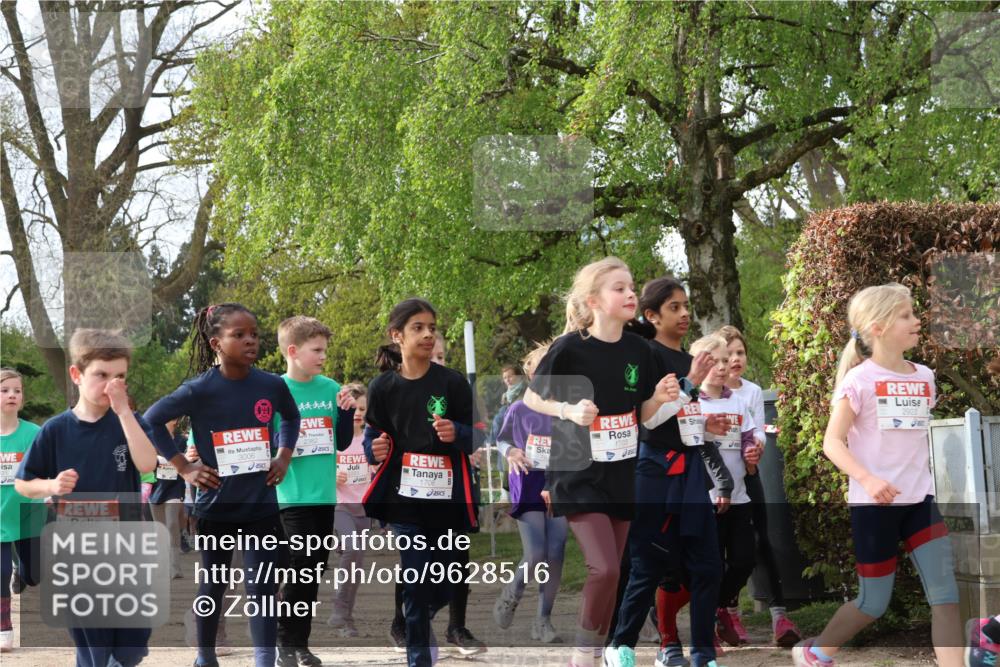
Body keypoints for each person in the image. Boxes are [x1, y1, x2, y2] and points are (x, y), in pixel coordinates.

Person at [522, 257, 684, 667]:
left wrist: (658, 399)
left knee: (616, 574)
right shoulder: (570, 348)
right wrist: (568, 411)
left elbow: (641, 414)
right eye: (619, 288)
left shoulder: (640, 351)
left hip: (621, 475)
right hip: (577, 473)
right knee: (605, 569)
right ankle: (583, 657)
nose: (630, 294)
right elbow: (531, 397)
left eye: (631, 287)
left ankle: (593, 653)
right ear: (593, 300)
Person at [792, 283, 963, 667]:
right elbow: (832, 442)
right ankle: (816, 653)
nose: (916, 320)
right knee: (873, 603)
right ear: (878, 327)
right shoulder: (858, 381)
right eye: (906, 315)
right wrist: (868, 480)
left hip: (920, 502)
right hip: (874, 507)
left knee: (946, 598)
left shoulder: (925, 376)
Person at [144, 303, 301, 667]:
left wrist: (283, 457)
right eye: (239, 335)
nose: (250, 341)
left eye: (254, 334)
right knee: (213, 586)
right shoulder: (198, 389)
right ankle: (205, 656)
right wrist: (184, 467)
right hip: (216, 509)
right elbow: (152, 420)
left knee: (262, 588)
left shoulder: (271, 384)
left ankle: (264, 660)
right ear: (216, 343)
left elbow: (292, 418)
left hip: (261, 507)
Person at [15, 329, 158, 667]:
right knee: (95, 646)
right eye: (102, 375)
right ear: (76, 375)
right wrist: (51, 486)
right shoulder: (55, 429)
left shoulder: (129, 422)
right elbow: (23, 483)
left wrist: (124, 413)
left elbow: (147, 464)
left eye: (120, 377)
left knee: (131, 645)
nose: (112, 385)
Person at [362, 298, 479, 667]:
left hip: (448, 501)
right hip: (404, 500)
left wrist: (457, 432)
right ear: (397, 335)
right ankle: (418, 656)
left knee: (446, 580)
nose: (428, 334)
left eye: (432, 327)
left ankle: (415, 618)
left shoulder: (452, 383)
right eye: (418, 328)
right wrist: (373, 449)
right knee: (415, 579)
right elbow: (372, 435)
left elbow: (478, 435)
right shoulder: (382, 387)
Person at [273, 316, 355, 666]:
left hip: (324, 497)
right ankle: (284, 643)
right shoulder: (275, 390)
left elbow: (342, 442)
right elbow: (266, 441)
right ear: (293, 351)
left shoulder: (330, 388)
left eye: (325, 350)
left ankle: (299, 644)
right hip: (289, 496)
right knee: (300, 566)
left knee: (313, 571)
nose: (323, 356)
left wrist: (346, 413)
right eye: (316, 350)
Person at [492, 343, 568, 643]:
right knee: (536, 553)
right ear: (531, 374)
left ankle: (542, 621)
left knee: (556, 553)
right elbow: (501, 440)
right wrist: (511, 451)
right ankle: (511, 595)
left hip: (558, 485)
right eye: (542, 367)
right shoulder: (519, 408)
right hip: (527, 484)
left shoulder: (567, 409)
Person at [0, 368, 43, 653]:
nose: (11, 395)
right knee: (0, 572)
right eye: (4, 390)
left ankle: (23, 573)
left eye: (17, 390)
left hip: (29, 513)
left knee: (34, 575)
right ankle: (4, 627)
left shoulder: (34, 433)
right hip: (0, 515)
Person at [328, 383, 374, 637]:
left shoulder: (370, 440)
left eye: (362, 409)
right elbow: (321, 467)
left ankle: (346, 618)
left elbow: (378, 468)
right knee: (351, 548)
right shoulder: (336, 440)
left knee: (356, 565)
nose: (358, 413)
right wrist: (332, 475)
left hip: (363, 509)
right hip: (339, 505)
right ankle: (338, 607)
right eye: (353, 408)